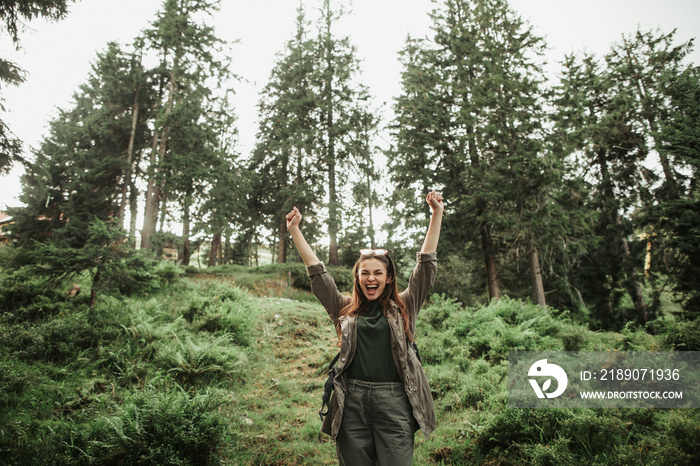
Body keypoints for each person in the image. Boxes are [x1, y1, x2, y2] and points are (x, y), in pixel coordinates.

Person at [285, 191, 444, 465]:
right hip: (352, 403)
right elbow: (318, 274)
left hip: (395, 402)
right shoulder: (343, 308)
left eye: (378, 273)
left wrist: (436, 214)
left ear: (389, 277)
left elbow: (425, 267)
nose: (371, 278)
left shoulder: (405, 305)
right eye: (365, 273)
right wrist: (295, 230)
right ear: (358, 278)